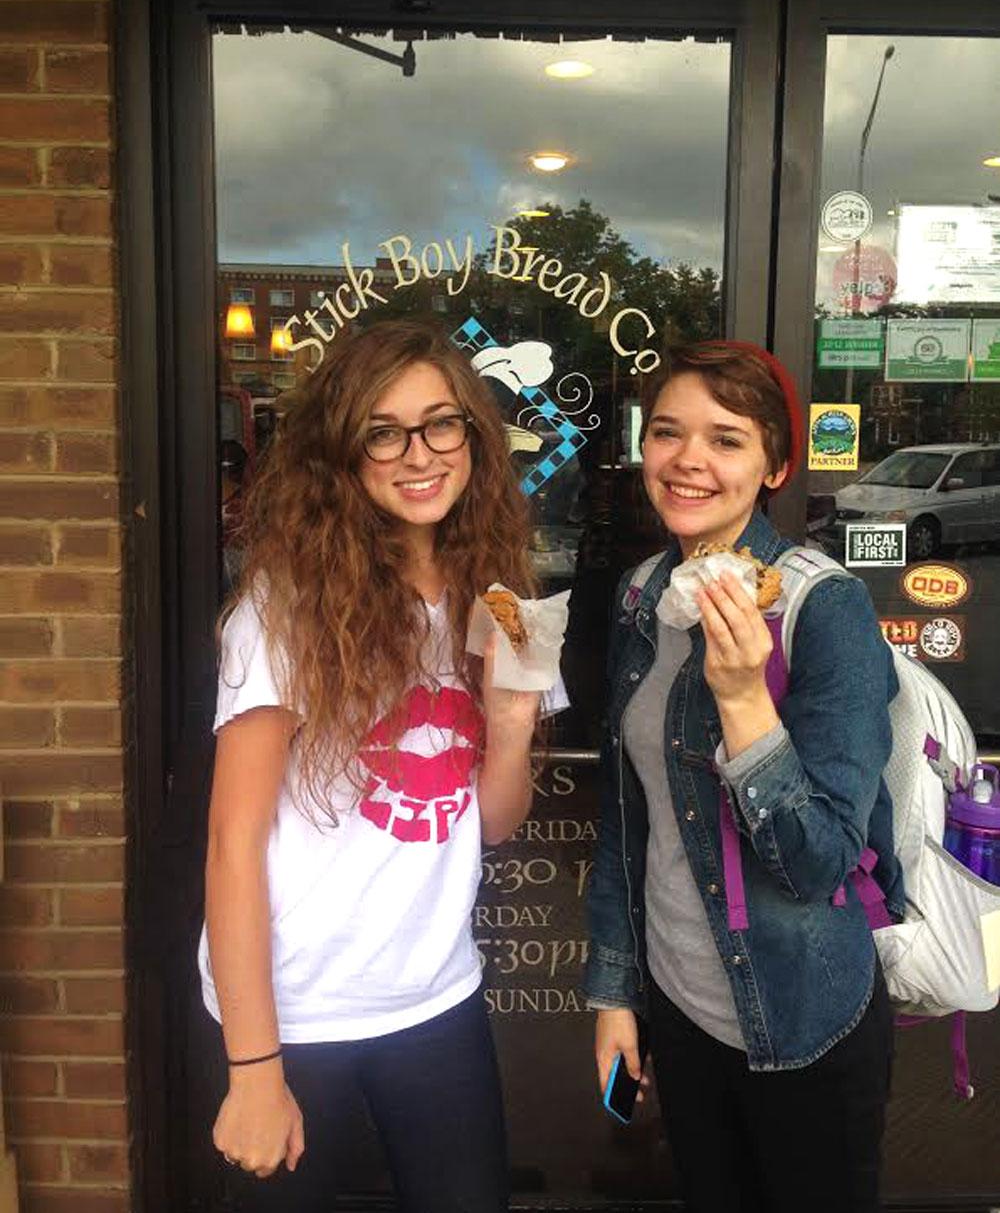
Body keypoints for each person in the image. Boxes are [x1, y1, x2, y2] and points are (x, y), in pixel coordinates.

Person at [201, 319, 558, 1212]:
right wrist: (253, 1067)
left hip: (436, 994)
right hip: (296, 1004)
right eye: (382, 431)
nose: (418, 453)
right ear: (343, 453)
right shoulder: (284, 611)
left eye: (442, 423)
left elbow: (494, 824)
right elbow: (231, 842)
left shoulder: (500, 599)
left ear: (473, 437)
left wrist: (511, 726)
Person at [584, 340, 901, 1213]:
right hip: (681, 1011)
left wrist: (741, 702)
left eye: (726, 439)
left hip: (804, 1019)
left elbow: (818, 862)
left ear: (775, 464)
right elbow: (626, 814)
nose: (689, 460)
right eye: (667, 433)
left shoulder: (823, 607)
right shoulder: (643, 594)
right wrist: (617, 994)